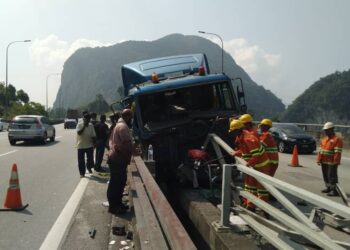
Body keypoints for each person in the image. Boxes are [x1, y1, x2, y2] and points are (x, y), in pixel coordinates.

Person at [229, 119, 271, 212]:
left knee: (261, 188)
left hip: (261, 165)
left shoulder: (248, 138)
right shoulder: (241, 137)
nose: (231, 134)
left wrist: (247, 165)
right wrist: (237, 153)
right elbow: (246, 151)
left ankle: (265, 209)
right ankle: (250, 205)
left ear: (237, 130)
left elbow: (256, 155)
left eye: (232, 131)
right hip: (254, 165)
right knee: (249, 186)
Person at [107, 109, 133, 214]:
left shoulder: (118, 125)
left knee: (119, 182)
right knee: (116, 183)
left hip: (116, 158)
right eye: (131, 118)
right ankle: (114, 207)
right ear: (127, 117)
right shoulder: (123, 127)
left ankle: (118, 204)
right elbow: (127, 144)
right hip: (118, 159)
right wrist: (134, 152)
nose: (131, 120)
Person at [317, 122, 343, 196]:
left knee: (332, 176)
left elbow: (337, 152)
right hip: (324, 161)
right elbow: (321, 150)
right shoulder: (324, 139)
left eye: (327, 130)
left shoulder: (337, 139)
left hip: (332, 162)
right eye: (325, 130)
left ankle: (334, 190)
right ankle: (328, 187)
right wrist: (319, 159)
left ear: (332, 130)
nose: (326, 132)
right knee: (325, 175)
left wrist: (336, 161)